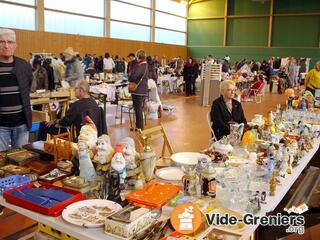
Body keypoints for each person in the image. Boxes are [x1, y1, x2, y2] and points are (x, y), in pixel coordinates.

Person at [38, 80, 106, 141]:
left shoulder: (77, 105)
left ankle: (41, 152)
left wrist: (55, 121)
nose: (74, 91)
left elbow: (66, 122)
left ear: (81, 90)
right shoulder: (94, 103)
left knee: (43, 125)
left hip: (81, 135)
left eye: (75, 89)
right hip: (93, 134)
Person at [0, 28, 32, 151]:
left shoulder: (24, 66)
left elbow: (27, 88)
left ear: (15, 45)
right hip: (1, 126)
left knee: (21, 160)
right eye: (2, 42)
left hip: (21, 124)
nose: (6, 46)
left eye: (10, 42)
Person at [128, 49, 148, 130]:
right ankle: (138, 127)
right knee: (138, 109)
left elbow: (133, 76)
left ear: (138, 56)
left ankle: (140, 127)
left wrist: (130, 76)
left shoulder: (141, 65)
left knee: (138, 110)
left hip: (138, 91)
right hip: (141, 90)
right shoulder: (143, 64)